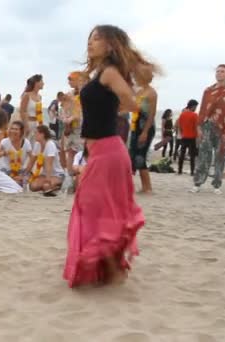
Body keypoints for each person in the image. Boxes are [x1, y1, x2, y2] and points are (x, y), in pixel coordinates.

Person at [63, 25, 148, 288]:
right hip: (99, 150)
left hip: (109, 151)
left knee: (93, 206)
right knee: (94, 207)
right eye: (89, 38)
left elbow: (133, 103)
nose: (91, 42)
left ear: (110, 45)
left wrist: (113, 109)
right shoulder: (98, 73)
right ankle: (109, 269)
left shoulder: (110, 73)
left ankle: (113, 270)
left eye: (97, 38)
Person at [190, 64, 225, 195]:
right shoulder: (208, 91)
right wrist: (199, 127)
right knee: (203, 156)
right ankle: (197, 183)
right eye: (217, 71)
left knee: (220, 156)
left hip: (223, 128)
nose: (219, 73)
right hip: (207, 126)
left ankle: (217, 184)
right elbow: (203, 110)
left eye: (222, 71)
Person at [129, 64, 157, 193]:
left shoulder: (152, 93)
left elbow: (151, 115)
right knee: (133, 155)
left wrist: (145, 132)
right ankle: (144, 186)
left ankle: (148, 187)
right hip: (135, 126)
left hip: (146, 127)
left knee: (140, 157)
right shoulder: (139, 91)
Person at [26, 125, 65, 195]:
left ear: (42, 134)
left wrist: (48, 179)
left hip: (57, 174)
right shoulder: (37, 144)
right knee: (33, 186)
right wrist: (25, 174)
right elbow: (31, 162)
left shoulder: (50, 145)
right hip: (44, 174)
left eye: (36, 133)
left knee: (46, 186)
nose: (34, 135)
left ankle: (57, 186)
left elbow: (49, 164)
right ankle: (49, 186)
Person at [62, 72, 88, 170]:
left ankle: (80, 176)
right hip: (71, 127)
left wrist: (74, 117)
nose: (69, 82)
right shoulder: (69, 94)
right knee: (70, 152)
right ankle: (69, 176)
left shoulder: (85, 93)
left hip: (82, 126)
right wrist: (66, 119)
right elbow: (64, 109)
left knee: (81, 152)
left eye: (71, 80)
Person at [19, 74, 44, 144]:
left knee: (35, 146)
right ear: (36, 83)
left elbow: (39, 112)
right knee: (25, 144)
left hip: (37, 124)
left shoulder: (39, 97)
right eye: (41, 81)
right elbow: (22, 111)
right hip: (28, 123)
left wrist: (41, 125)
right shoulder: (27, 95)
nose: (43, 83)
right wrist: (26, 125)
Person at [177, 100, 199, 175]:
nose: (196, 108)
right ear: (193, 106)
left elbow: (179, 126)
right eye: (196, 106)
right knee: (192, 155)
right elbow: (196, 127)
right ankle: (192, 172)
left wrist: (182, 133)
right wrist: (198, 137)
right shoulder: (194, 115)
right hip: (192, 137)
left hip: (184, 136)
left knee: (182, 154)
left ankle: (179, 170)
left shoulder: (182, 114)